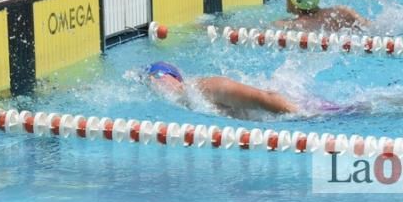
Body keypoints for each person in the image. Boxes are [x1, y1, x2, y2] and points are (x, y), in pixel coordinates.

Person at [145, 61, 353, 118]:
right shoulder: (184, 101)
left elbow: (265, 98)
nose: (159, 83)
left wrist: (305, 116)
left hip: (313, 111)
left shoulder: (207, 87)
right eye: (154, 80)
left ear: (177, 78)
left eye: (162, 77)